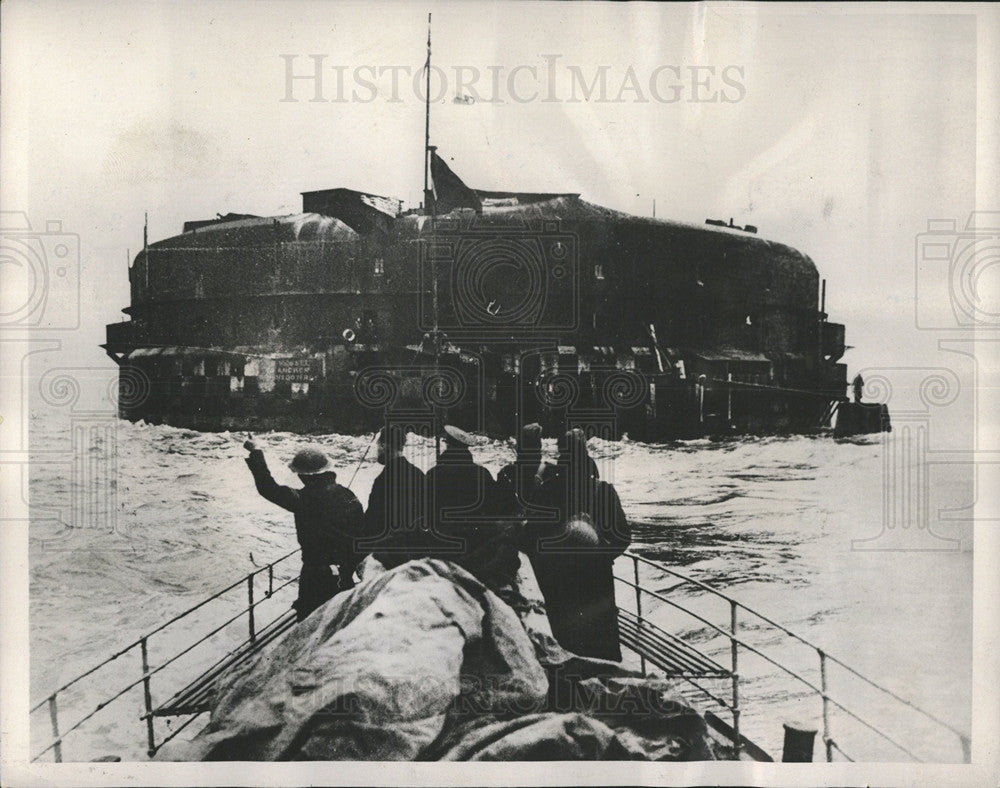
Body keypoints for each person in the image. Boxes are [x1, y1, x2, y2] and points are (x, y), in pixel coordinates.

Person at [524, 428, 631, 662]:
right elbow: (623, 537)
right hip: (597, 582)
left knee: (566, 644)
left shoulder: (547, 490)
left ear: (560, 452)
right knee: (600, 644)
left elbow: (529, 539)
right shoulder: (603, 490)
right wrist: (601, 555)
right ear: (586, 452)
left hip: (559, 582)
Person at [244, 440, 365, 622]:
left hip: (315, 576)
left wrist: (256, 451)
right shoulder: (349, 495)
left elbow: (267, 487)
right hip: (345, 574)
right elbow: (361, 534)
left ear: (304, 476)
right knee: (339, 621)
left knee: (308, 622)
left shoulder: (302, 499)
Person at [424, 425, 516, 590]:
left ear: (448, 445)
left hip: (440, 548)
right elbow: (496, 510)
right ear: (466, 449)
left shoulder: (433, 475)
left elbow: (424, 513)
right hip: (475, 547)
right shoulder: (482, 474)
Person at [360, 425, 429, 569]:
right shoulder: (418, 474)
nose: (377, 450)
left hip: (390, 554)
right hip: (416, 551)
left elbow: (373, 521)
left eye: (378, 446)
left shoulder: (383, 479)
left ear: (384, 446)